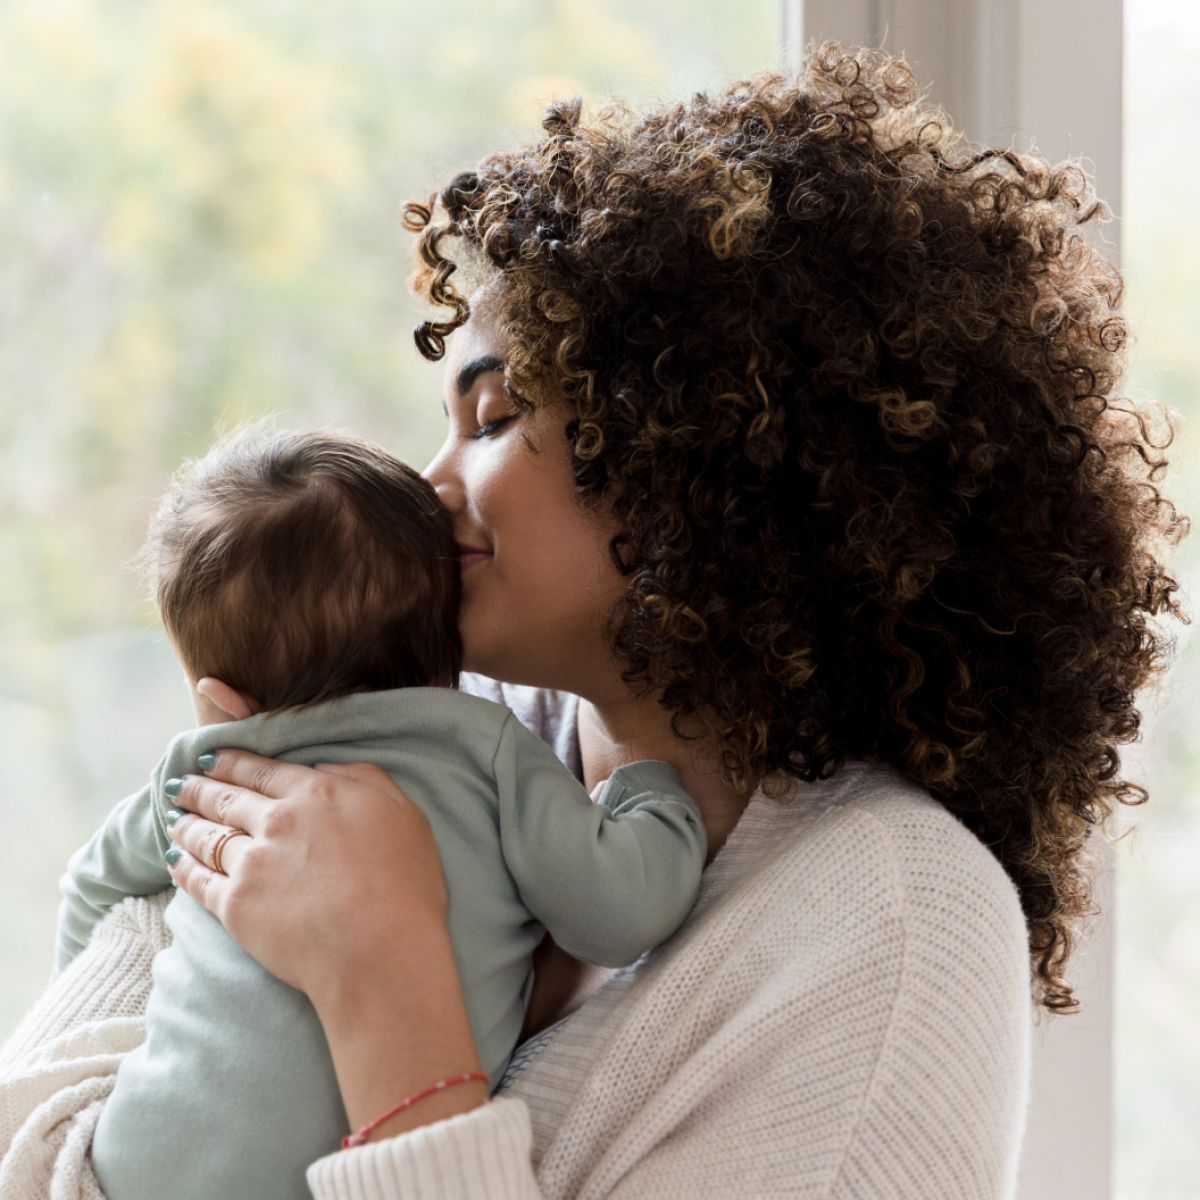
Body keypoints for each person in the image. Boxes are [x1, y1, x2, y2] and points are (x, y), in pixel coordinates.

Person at [0, 44, 1185, 1200]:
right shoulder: (428, 717)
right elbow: (29, 1145)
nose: (426, 485)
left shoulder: (891, 926)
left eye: (496, 414)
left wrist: (387, 993)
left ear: (713, 456)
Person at [55, 427, 705, 1200]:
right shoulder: (486, 752)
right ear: (449, 644)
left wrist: (100, 1042)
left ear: (221, 703)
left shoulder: (204, 771)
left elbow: (91, 888)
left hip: (131, 1162)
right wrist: (653, 791)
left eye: (489, 418)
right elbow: (621, 914)